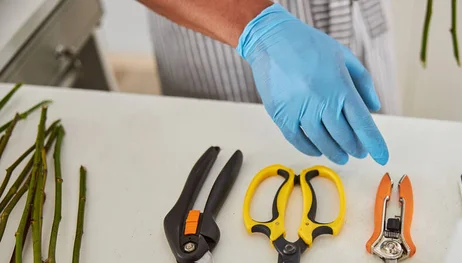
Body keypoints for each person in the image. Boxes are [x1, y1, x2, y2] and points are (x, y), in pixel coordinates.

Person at [137, 0, 398, 165]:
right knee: (225, 171)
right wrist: (258, 31)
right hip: (221, 33)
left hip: (355, 20)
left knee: (375, 174)